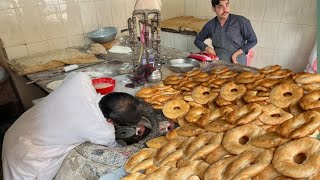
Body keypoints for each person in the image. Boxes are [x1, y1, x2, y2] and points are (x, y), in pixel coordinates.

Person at [2, 72, 143, 180]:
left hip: (16, 130)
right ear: (111, 121)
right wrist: (131, 140)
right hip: (29, 156)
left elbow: (76, 76)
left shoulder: (80, 82)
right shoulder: (102, 131)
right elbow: (118, 150)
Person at [194, 0, 257, 65]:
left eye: (226, 5)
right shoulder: (210, 25)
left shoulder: (241, 21)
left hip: (238, 64)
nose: (225, 9)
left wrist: (235, 54)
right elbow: (197, 40)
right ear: (214, 9)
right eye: (220, 7)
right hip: (218, 65)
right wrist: (209, 49)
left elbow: (253, 40)